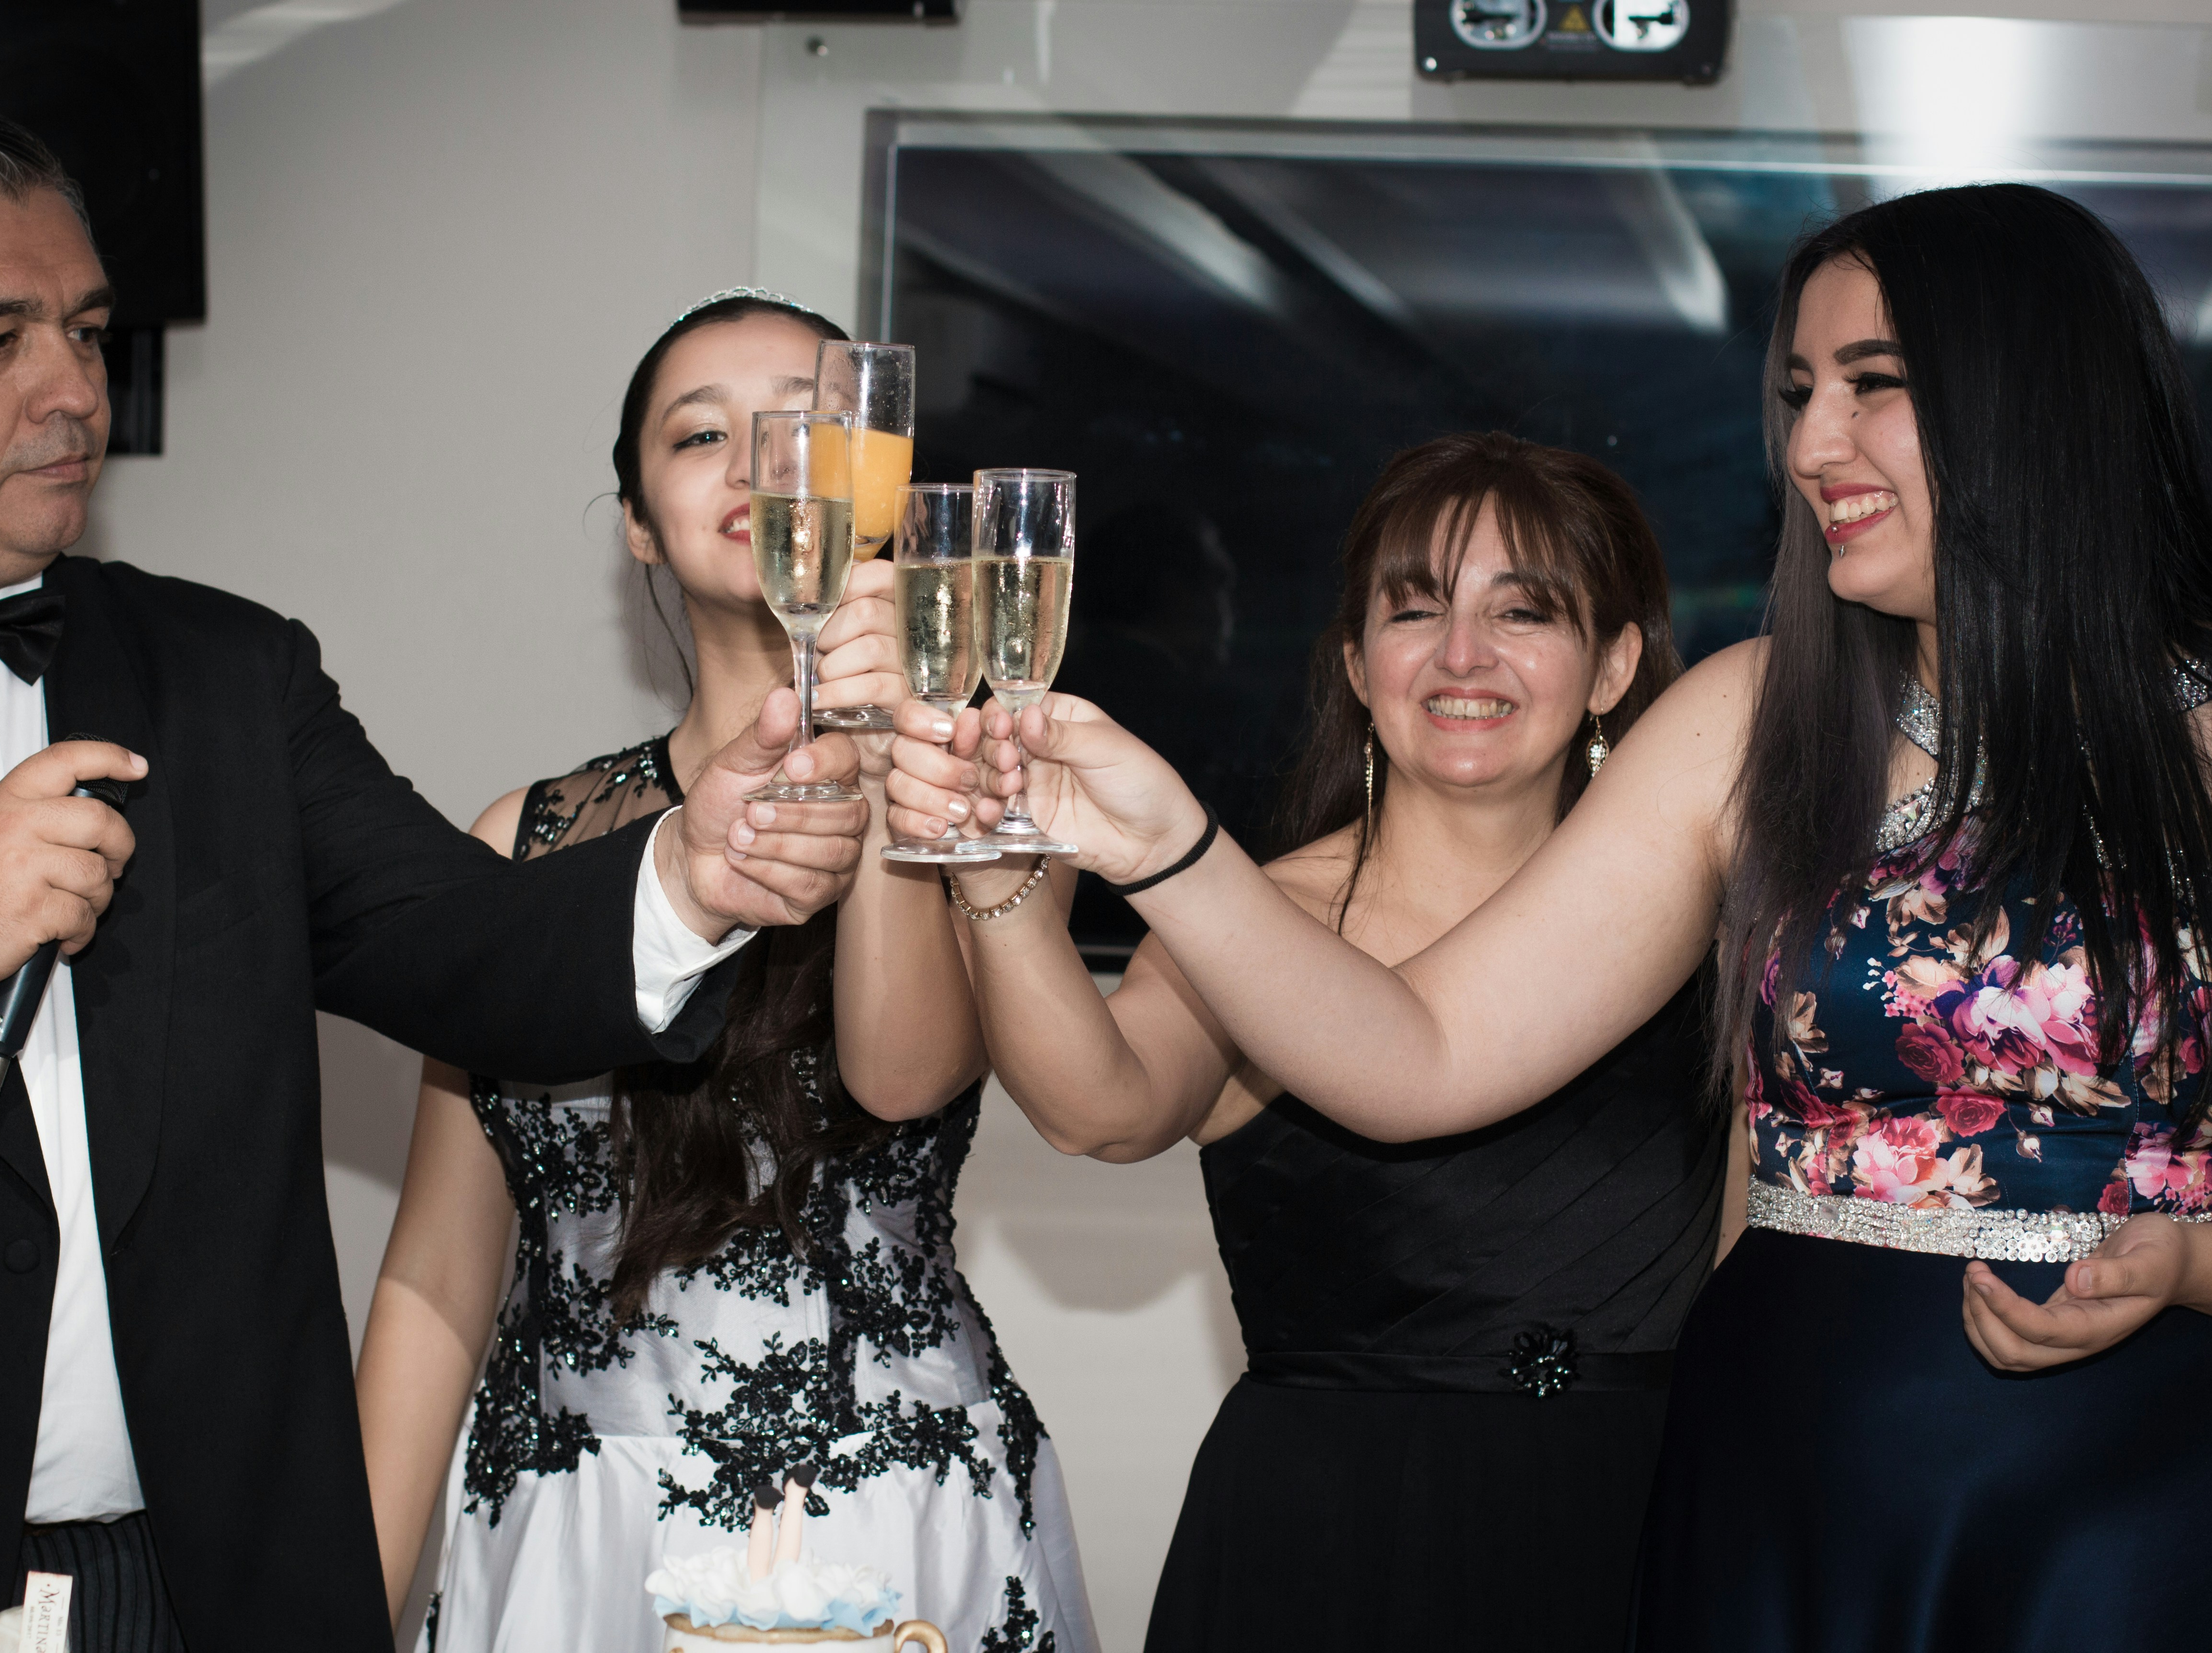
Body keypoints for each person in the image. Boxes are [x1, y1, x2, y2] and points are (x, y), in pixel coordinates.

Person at [888, 182, 2212, 1650]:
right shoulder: (1757, 717)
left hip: (2125, 1481)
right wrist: (1169, 849)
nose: (1809, 446)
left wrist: (2194, 1261)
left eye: (1872, 385)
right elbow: (1423, 1054)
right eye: (1799, 394)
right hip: (1789, 1466)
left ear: (2031, 395)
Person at [0, 114, 866, 1653]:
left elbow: (463, 945)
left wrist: (690, 870)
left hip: (199, 1587)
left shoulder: (225, 673)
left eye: (86, 333)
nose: (74, 391)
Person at [355, 292, 1095, 1653]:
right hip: (571, 1529)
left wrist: (887, 735)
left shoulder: (992, 806)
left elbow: (904, 1074)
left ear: (884, 490)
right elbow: (439, 1274)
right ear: (639, 521)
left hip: (884, 1525)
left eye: (813, 431)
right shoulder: (526, 841)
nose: (769, 468)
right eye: (705, 436)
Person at [935, 433, 1724, 1651]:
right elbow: (1103, 1108)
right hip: (1333, 1550)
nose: (1463, 655)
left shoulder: (1710, 937)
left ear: (1614, 665)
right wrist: (1001, 893)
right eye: (1416, 611)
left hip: (1645, 1534)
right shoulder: (1261, 924)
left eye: (1523, 612)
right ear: (1359, 663)